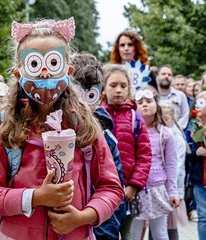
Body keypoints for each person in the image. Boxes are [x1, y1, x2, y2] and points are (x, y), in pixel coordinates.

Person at [0, 17, 124, 239]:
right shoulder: (6, 127)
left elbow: (111, 188)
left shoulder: (84, 125)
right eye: (35, 65)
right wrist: (35, 197)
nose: (45, 73)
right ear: (19, 74)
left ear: (68, 70)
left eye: (53, 64)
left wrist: (83, 217)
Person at [70, 52, 126, 240]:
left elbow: (112, 190)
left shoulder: (106, 140)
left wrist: (104, 234)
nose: (82, 104)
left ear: (100, 97)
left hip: (96, 229)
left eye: (90, 96)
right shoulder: (51, 131)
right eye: (77, 95)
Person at [100, 64, 152, 240]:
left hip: (128, 191)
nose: (118, 90)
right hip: (101, 191)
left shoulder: (135, 118)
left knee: (128, 233)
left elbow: (144, 155)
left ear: (129, 88)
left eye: (123, 86)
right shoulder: (96, 116)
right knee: (105, 231)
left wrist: (134, 186)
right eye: (113, 85)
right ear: (104, 88)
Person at [134, 87, 180, 240]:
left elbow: (172, 164)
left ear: (156, 105)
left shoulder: (165, 134)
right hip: (135, 189)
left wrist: (173, 191)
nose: (145, 105)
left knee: (160, 233)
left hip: (158, 189)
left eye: (148, 101)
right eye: (140, 102)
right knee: (134, 233)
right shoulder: (131, 132)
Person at [160, 100, 188, 240]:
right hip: (157, 187)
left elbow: (177, 165)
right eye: (161, 118)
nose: (163, 122)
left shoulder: (177, 138)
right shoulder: (157, 134)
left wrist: (169, 186)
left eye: (166, 118)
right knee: (157, 224)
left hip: (171, 187)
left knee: (170, 226)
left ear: (172, 117)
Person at [185, 91, 206, 239]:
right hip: (200, 177)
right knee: (203, 215)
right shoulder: (193, 126)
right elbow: (186, 152)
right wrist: (195, 151)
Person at [156, 65, 190, 129]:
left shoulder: (180, 95)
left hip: (176, 134)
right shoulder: (152, 95)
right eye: (163, 74)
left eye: (169, 75)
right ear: (157, 77)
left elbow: (184, 115)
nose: (166, 76)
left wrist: (174, 130)